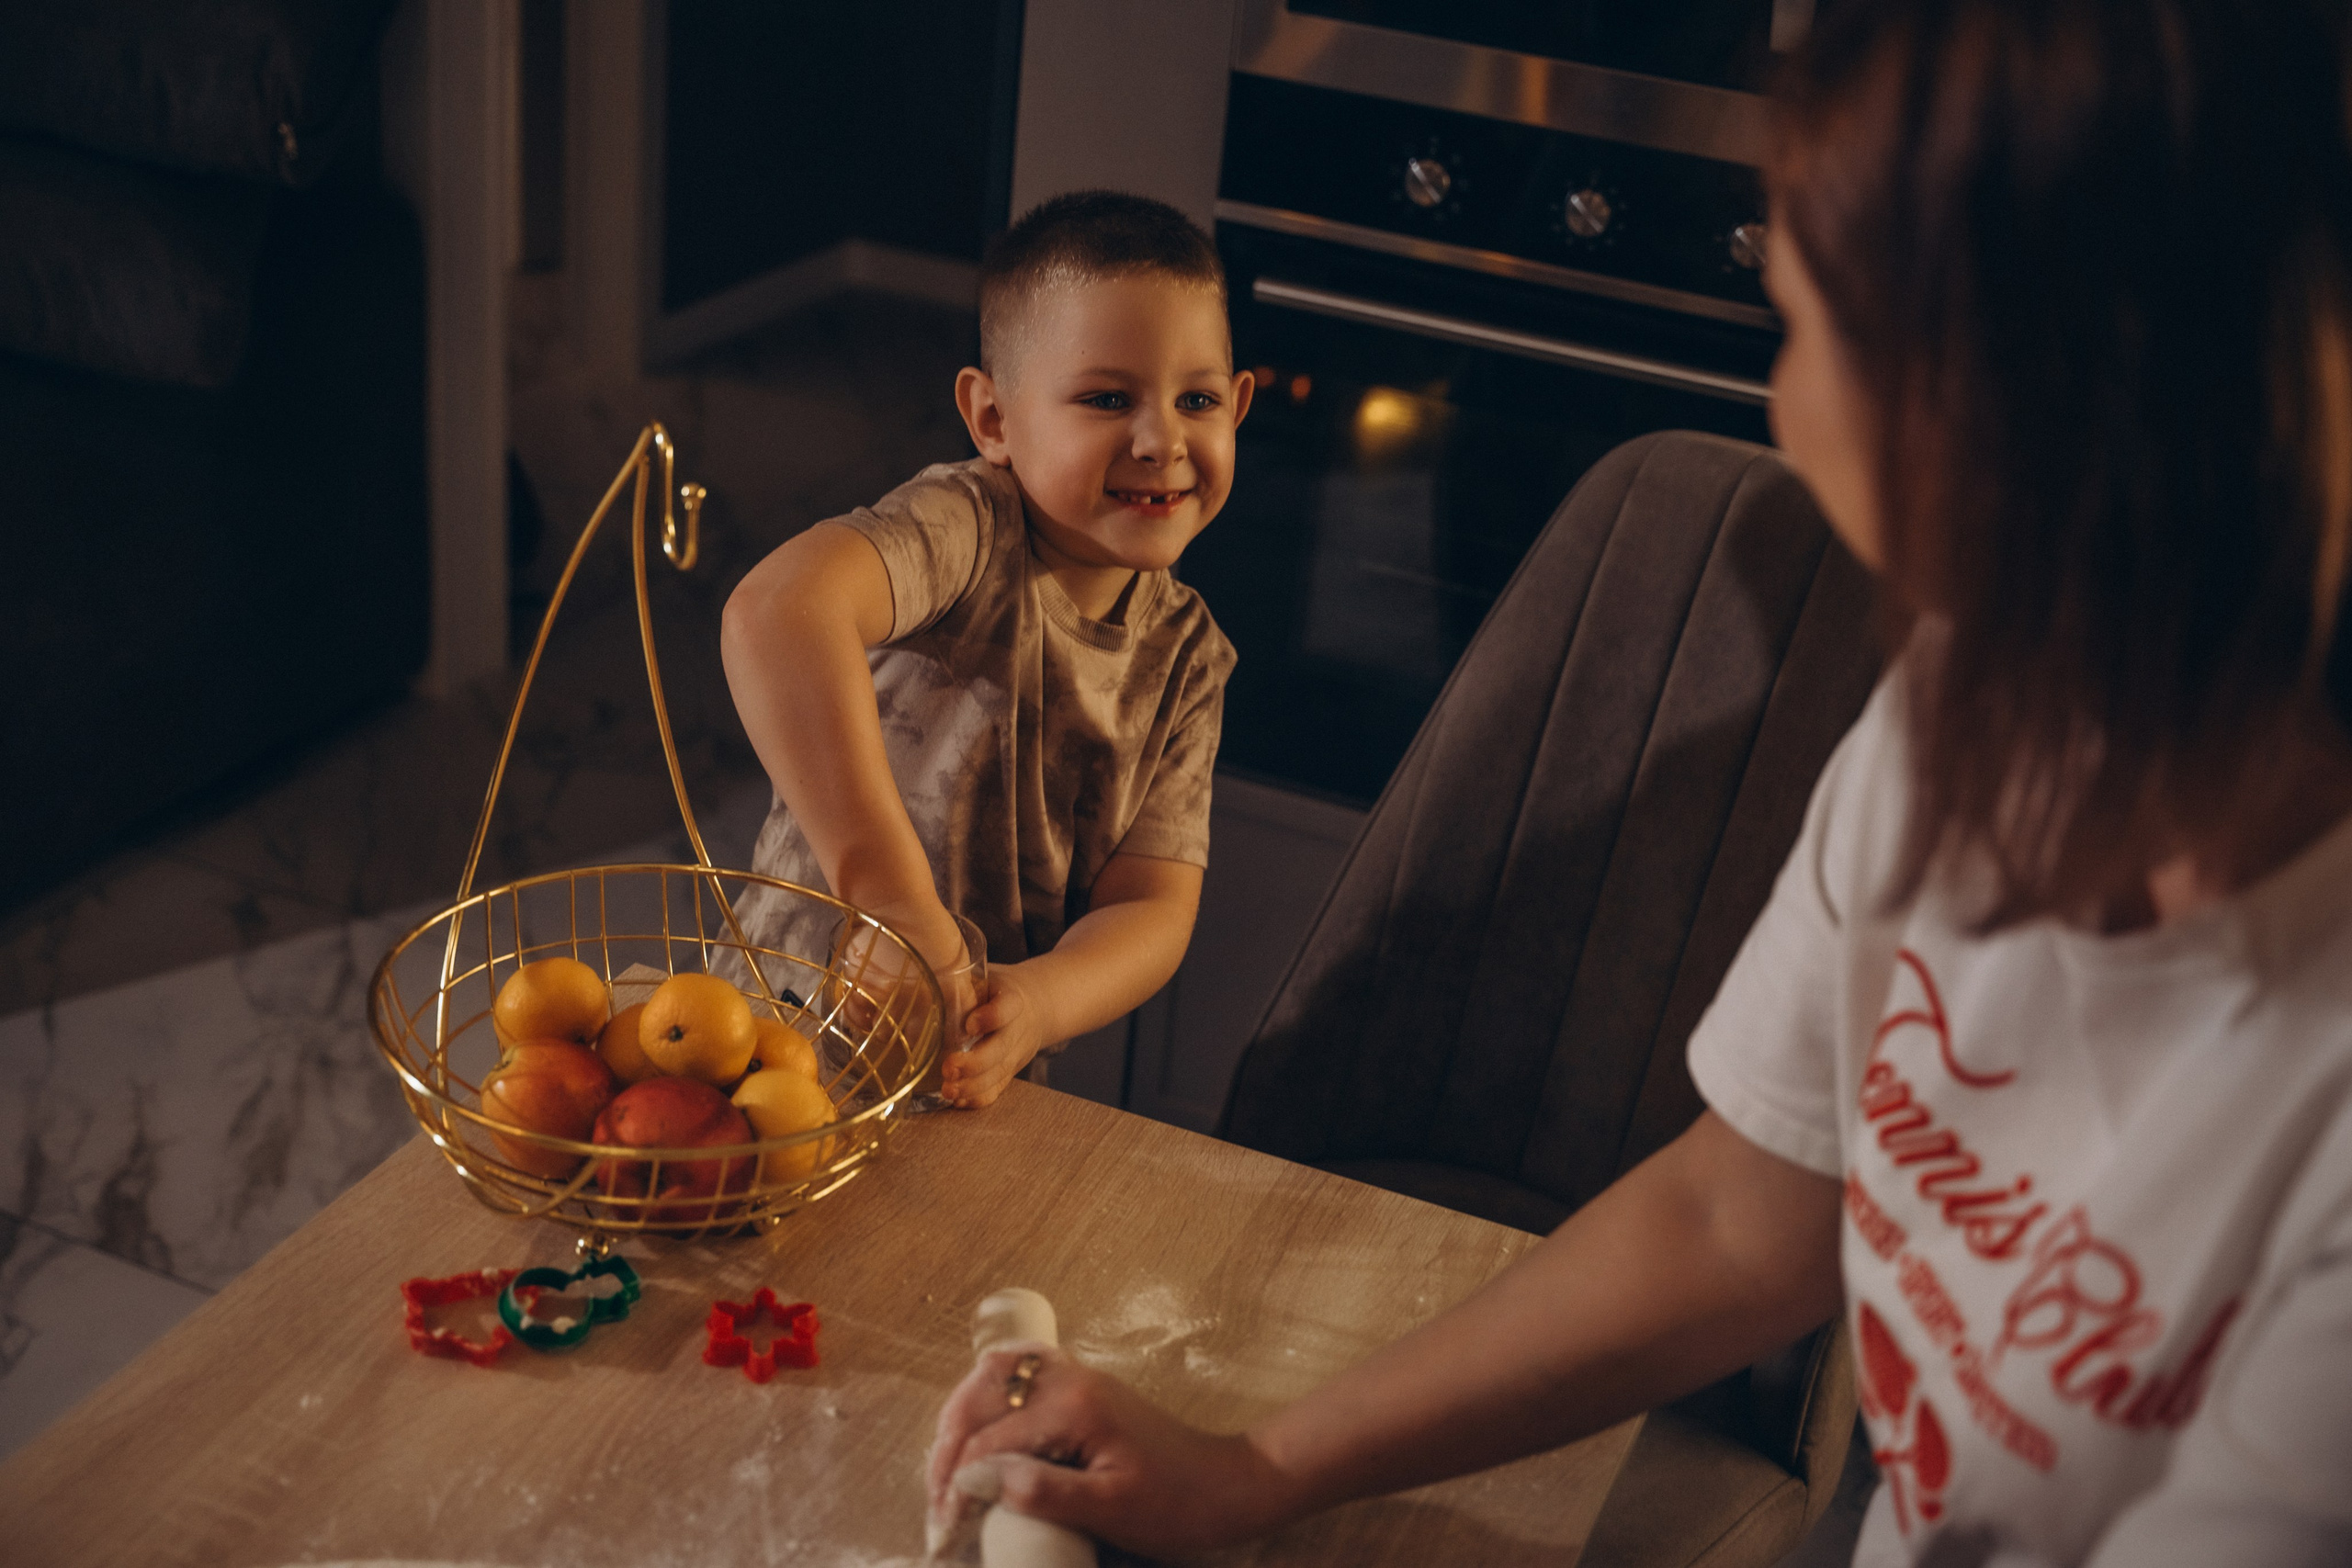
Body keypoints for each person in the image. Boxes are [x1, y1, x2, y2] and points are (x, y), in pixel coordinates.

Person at [923, 2, 2352, 1560]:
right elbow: (1742, 1217)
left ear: (1992, 405)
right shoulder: (1974, 719)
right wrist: (1251, 1469)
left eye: (1804, 332)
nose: (1787, 410)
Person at [719, 192, 1250, 1109]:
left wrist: (1041, 1001)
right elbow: (777, 610)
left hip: (960, 1065)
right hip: (772, 1029)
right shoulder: (965, 528)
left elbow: (1151, 907)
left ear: (1238, 408)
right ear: (994, 420)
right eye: (1107, 398)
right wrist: (892, 902)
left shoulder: (1189, 658)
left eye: (1195, 400)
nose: (1162, 439)